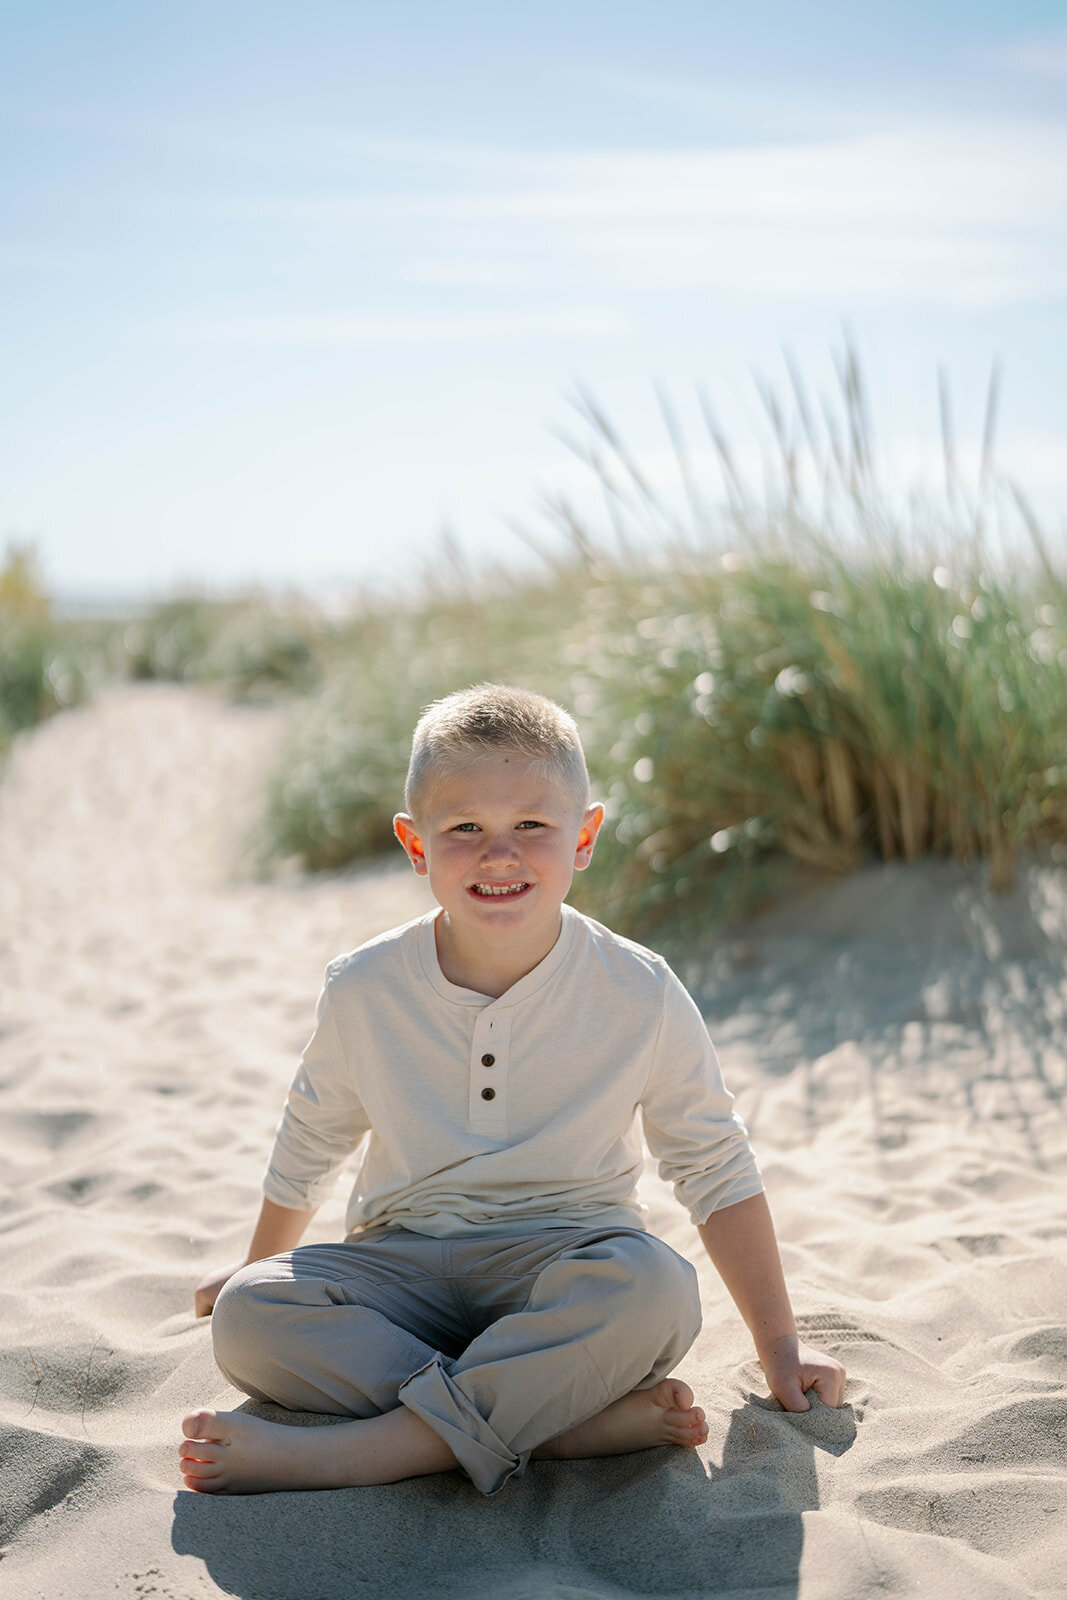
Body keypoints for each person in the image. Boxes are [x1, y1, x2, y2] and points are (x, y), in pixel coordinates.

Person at [180, 684, 846, 1496]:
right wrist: (260, 1266)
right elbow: (312, 1138)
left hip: (564, 1262)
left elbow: (713, 1166)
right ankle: (557, 1422)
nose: (500, 855)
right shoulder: (365, 986)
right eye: (464, 829)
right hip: (402, 1269)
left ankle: (374, 1449)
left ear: (585, 837)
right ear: (415, 844)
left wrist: (781, 1349)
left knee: (658, 1291)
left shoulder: (638, 988)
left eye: (532, 825)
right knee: (250, 1316)